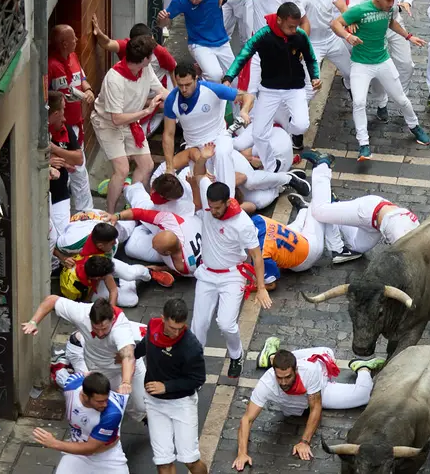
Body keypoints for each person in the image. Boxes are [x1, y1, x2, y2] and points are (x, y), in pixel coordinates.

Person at [231, 340, 384, 471]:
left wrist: (304, 442)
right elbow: (247, 419)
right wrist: (242, 453)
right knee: (290, 411)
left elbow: (315, 407)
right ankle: (272, 355)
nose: (283, 382)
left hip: (319, 373)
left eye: (287, 377)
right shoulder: (267, 383)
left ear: (295, 371)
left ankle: (363, 368)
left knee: (364, 395)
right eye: (279, 378)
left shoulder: (309, 373)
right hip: (297, 375)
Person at [188, 152, 271, 378]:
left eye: (216, 208)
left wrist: (261, 287)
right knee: (199, 325)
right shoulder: (209, 199)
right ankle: (195, 361)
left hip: (232, 276)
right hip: (206, 274)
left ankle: (236, 355)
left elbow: (256, 255)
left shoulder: (242, 223)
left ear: (228, 202)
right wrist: (203, 159)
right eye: (210, 207)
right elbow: (198, 174)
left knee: (226, 324)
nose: (211, 211)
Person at [330, 0, 430, 160]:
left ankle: (415, 126)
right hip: (361, 64)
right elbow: (335, 23)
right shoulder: (360, 10)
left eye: (393, 1)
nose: (392, 4)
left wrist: (409, 36)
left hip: (383, 60)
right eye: (388, 1)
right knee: (359, 102)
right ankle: (364, 144)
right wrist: (348, 36)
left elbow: (391, 23)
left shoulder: (389, 9)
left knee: (401, 99)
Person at [223, 3, 320, 173]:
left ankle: (283, 129)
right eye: (290, 26)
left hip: (295, 89)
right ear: (280, 20)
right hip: (269, 91)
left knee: (301, 125)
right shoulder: (263, 35)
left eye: (296, 26)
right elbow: (244, 54)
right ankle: (271, 166)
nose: (294, 30)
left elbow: (311, 58)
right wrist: (229, 77)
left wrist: (315, 77)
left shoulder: (300, 35)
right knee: (259, 134)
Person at [22, 297, 147, 421]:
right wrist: (33, 322)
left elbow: (128, 357)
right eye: (95, 328)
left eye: (104, 328)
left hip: (127, 365)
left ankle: (141, 415)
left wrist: (126, 382)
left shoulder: (121, 329)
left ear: (113, 319)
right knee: (101, 404)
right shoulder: (81, 313)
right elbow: (52, 300)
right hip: (100, 366)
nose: (100, 333)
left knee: (141, 405)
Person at [91, 36, 169, 213]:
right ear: (144, 59)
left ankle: (132, 206)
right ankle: (110, 213)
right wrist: (146, 112)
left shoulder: (145, 69)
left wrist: (181, 100)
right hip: (107, 124)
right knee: (122, 169)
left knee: (147, 165)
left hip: (130, 122)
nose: (153, 58)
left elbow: (161, 91)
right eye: (151, 55)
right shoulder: (114, 79)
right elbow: (116, 119)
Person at [298, 149, 420, 261]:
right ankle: (322, 164)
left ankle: (333, 204)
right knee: (319, 212)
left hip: (375, 227)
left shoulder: (415, 239)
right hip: (367, 210)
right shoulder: (403, 239)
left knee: (357, 247)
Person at [133, 298, 208, 474]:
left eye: (180, 328)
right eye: (172, 327)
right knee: (163, 461)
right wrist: (130, 355)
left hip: (182, 404)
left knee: (190, 461)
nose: (176, 333)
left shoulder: (191, 347)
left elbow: (198, 379)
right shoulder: (153, 327)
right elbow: (146, 345)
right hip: (154, 404)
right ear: (163, 318)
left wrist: (166, 386)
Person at [163, 62, 255, 200]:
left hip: (218, 137)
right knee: (204, 189)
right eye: (180, 85)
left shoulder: (212, 89)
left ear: (196, 79)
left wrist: (244, 110)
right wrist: (170, 167)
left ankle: (228, 201)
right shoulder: (172, 100)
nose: (183, 89)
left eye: (187, 84)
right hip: (195, 147)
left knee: (222, 153)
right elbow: (168, 134)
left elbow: (248, 96)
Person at [351, 0, 415, 124]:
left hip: (394, 23)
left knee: (406, 64)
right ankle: (381, 103)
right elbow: (354, 5)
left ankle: (402, 97)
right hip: (373, 29)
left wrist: (407, 1)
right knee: (376, 69)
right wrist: (354, 20)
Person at [33, 372, 130, 474]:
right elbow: (70, 374)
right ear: (85, 396)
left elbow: (90, 448)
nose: (105, 404)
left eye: (106, 399)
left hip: (107, 456)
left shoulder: (112, 414)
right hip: (76, 452)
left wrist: (54, 443)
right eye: (100, 401)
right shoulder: (71, 386)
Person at [49, 24, 96, 211]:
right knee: (78, 168)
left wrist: (89, 89)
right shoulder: (51, 65)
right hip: (59, 128)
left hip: (77, 123)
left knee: (75, 168)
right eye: (73, 39)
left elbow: (82, 79)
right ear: (64, 43)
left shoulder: (74, 57)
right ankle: (86, 212)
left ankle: (81, 210)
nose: (77, 41)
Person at [157, 0, 236, 82]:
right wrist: (162, 19)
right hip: (198, 43)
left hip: (222, 42)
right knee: (215, 75)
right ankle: (202, 87)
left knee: (235, 77)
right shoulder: (181, 0)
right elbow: (163, 24)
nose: (194, 1)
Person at [295, 0, 354, 97]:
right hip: (313, 45)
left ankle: (349, 85)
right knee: (311, 88)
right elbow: (296, 23)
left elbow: (342, 6)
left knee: (351, 73)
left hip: (332, 39)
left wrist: (350, 21)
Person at [91, 14, 179, 94]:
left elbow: (173, 68)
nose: (151, 46)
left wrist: (176, 92)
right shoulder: (114, 78)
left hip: (153, 93)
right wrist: (99, 33)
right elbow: (107, 43)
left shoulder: (159, 52)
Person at [49, 91, 85, 267]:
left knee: (63, 236)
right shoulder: (37, 132)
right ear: (54, 113)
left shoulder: (65, 127)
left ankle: (60, 264)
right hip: (43, 193)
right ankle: (56, 265)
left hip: (60, 193)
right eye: (63, 110)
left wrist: (54, 148)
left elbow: (78, 159)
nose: (65, 115)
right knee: (48, 235)